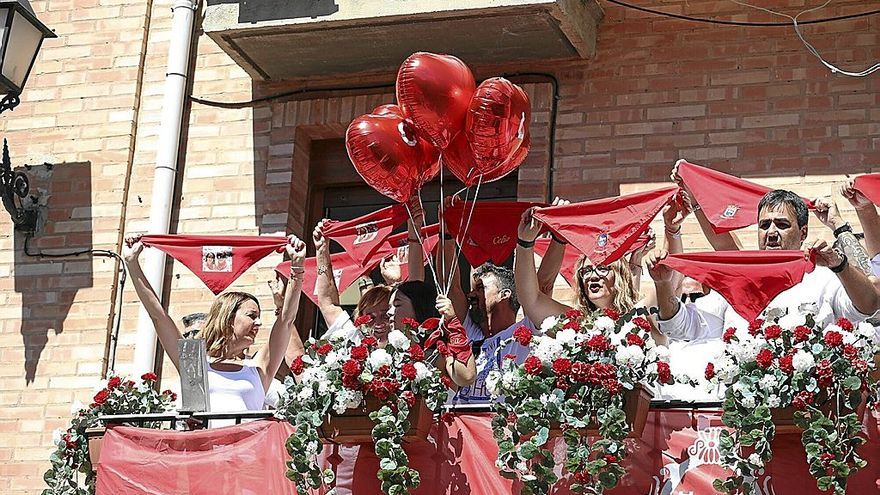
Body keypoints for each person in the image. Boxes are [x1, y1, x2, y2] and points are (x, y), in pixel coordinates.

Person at [647, 190, 880, 341]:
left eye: (781, 224)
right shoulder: (738, 281)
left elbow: (869, 305)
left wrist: (839, 265)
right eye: (764, 225)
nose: (771, 232)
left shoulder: (823, 278)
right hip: (745, 414)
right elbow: (680, 329)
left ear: (803, 232)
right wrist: (663, 284)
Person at [124, 234, 307, 413]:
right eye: (252, 315)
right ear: (228, 319)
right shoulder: (194, 363)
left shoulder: (259, 367)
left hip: (247, 443)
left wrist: (297, 268)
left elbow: (286, 320)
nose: (258, 323)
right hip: (204, 444)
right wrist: (132, 263)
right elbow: (159, 317)